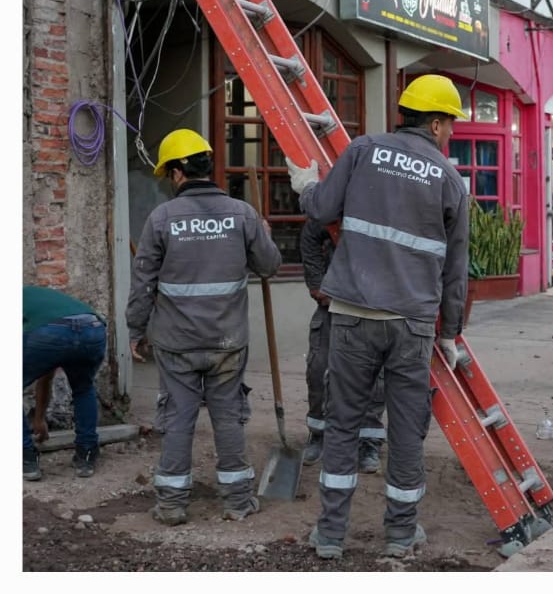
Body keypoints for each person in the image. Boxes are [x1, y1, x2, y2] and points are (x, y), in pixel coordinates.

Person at [286, 74, 471, 561]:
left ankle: (329, 536)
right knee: (407, 429)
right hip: (412, 323)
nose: (450, 133)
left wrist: (305, 185)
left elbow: (322, 207)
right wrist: (449, 333)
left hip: (350, 314)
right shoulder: (451, 181)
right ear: (434, 123)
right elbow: (455, 272)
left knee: (343, 424)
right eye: (450, 124)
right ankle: (400, 534)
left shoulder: (363, 151)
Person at [127, 128, 281, 525]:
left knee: (179, 418)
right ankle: (237, 502)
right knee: (228, 418)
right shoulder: (242, 214)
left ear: (179, 172)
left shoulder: (161, 218)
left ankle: (172, 505)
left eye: (168, 174)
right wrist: (263, 234)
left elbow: (143, 281)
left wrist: (135, 329)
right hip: (228, 341)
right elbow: (269, 266)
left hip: (176, 343)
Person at [300, 217, 386, 474]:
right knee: (318, 369)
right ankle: (318, 433)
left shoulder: (383, 200)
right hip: (333, 304)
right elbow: (310, 235)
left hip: (373, 305)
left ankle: (368, 440)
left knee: (374, 378)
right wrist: (317, 284)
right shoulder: (335, 200)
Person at [23, 285, 108, 482]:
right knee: (83, 387)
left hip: (50, 332)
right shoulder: (38, 299)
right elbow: (47, 371)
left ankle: (26, 458)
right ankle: (86, 454)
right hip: (93, 328)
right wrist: (39, 418)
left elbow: (44, 347)